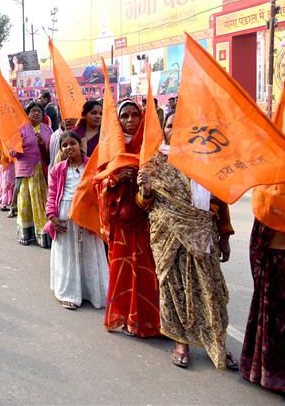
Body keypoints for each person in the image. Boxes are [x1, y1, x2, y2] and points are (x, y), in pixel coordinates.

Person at [137, 111, 237, 370]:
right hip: (168, 238)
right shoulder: (154, 164)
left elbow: (220, 202)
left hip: (203, 237)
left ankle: (217, 342)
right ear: (164, 130)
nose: (174, 130)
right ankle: (181, 343)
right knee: (176, 290)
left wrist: (224, 236)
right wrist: (146, 191)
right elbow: (145, 205)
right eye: (170, 125)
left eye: (180, 126)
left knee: (210, 292)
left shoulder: (204, 160)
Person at [98, 99, 159, 338]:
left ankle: (146, 320)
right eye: (125, 116)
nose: (131, 120)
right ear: (118, 120)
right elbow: (97, 181)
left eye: (135, 115)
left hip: (146, 220)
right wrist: (115, 179)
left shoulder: (151, 146)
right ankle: (124, 317)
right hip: (121, 222)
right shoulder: (110, 147)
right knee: (122, 271)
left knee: (147, 273)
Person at [45, 131, 108, 310]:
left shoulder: (92, 166)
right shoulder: (58, 169)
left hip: (88, 214)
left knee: (89, 251)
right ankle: (69, 293)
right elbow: (51, 195)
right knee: (68, 254)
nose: (68, 147)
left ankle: (93, 292)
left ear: (80, 144)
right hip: (65, 215)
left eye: (72, 143)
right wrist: (52, 216)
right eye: (64, 145)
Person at [240, 221, 285, 391]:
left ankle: (272, 374)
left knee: (275, 320)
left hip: (276, 255)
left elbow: (260, 230)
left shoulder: (271, 194)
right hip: (277, 254)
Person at [12, 102, 52, 246]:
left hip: (42, 171)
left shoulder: (47, 130)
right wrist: (18, 145)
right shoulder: (20, 130)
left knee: (40, 202)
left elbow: (52, 149)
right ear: (27, 114)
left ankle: (42, 235)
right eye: (33, 111)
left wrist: (43, 145)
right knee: (25, 203)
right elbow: (12, 152)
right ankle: (26, 234)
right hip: (25, 171)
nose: (36, 114)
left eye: (39, 112)